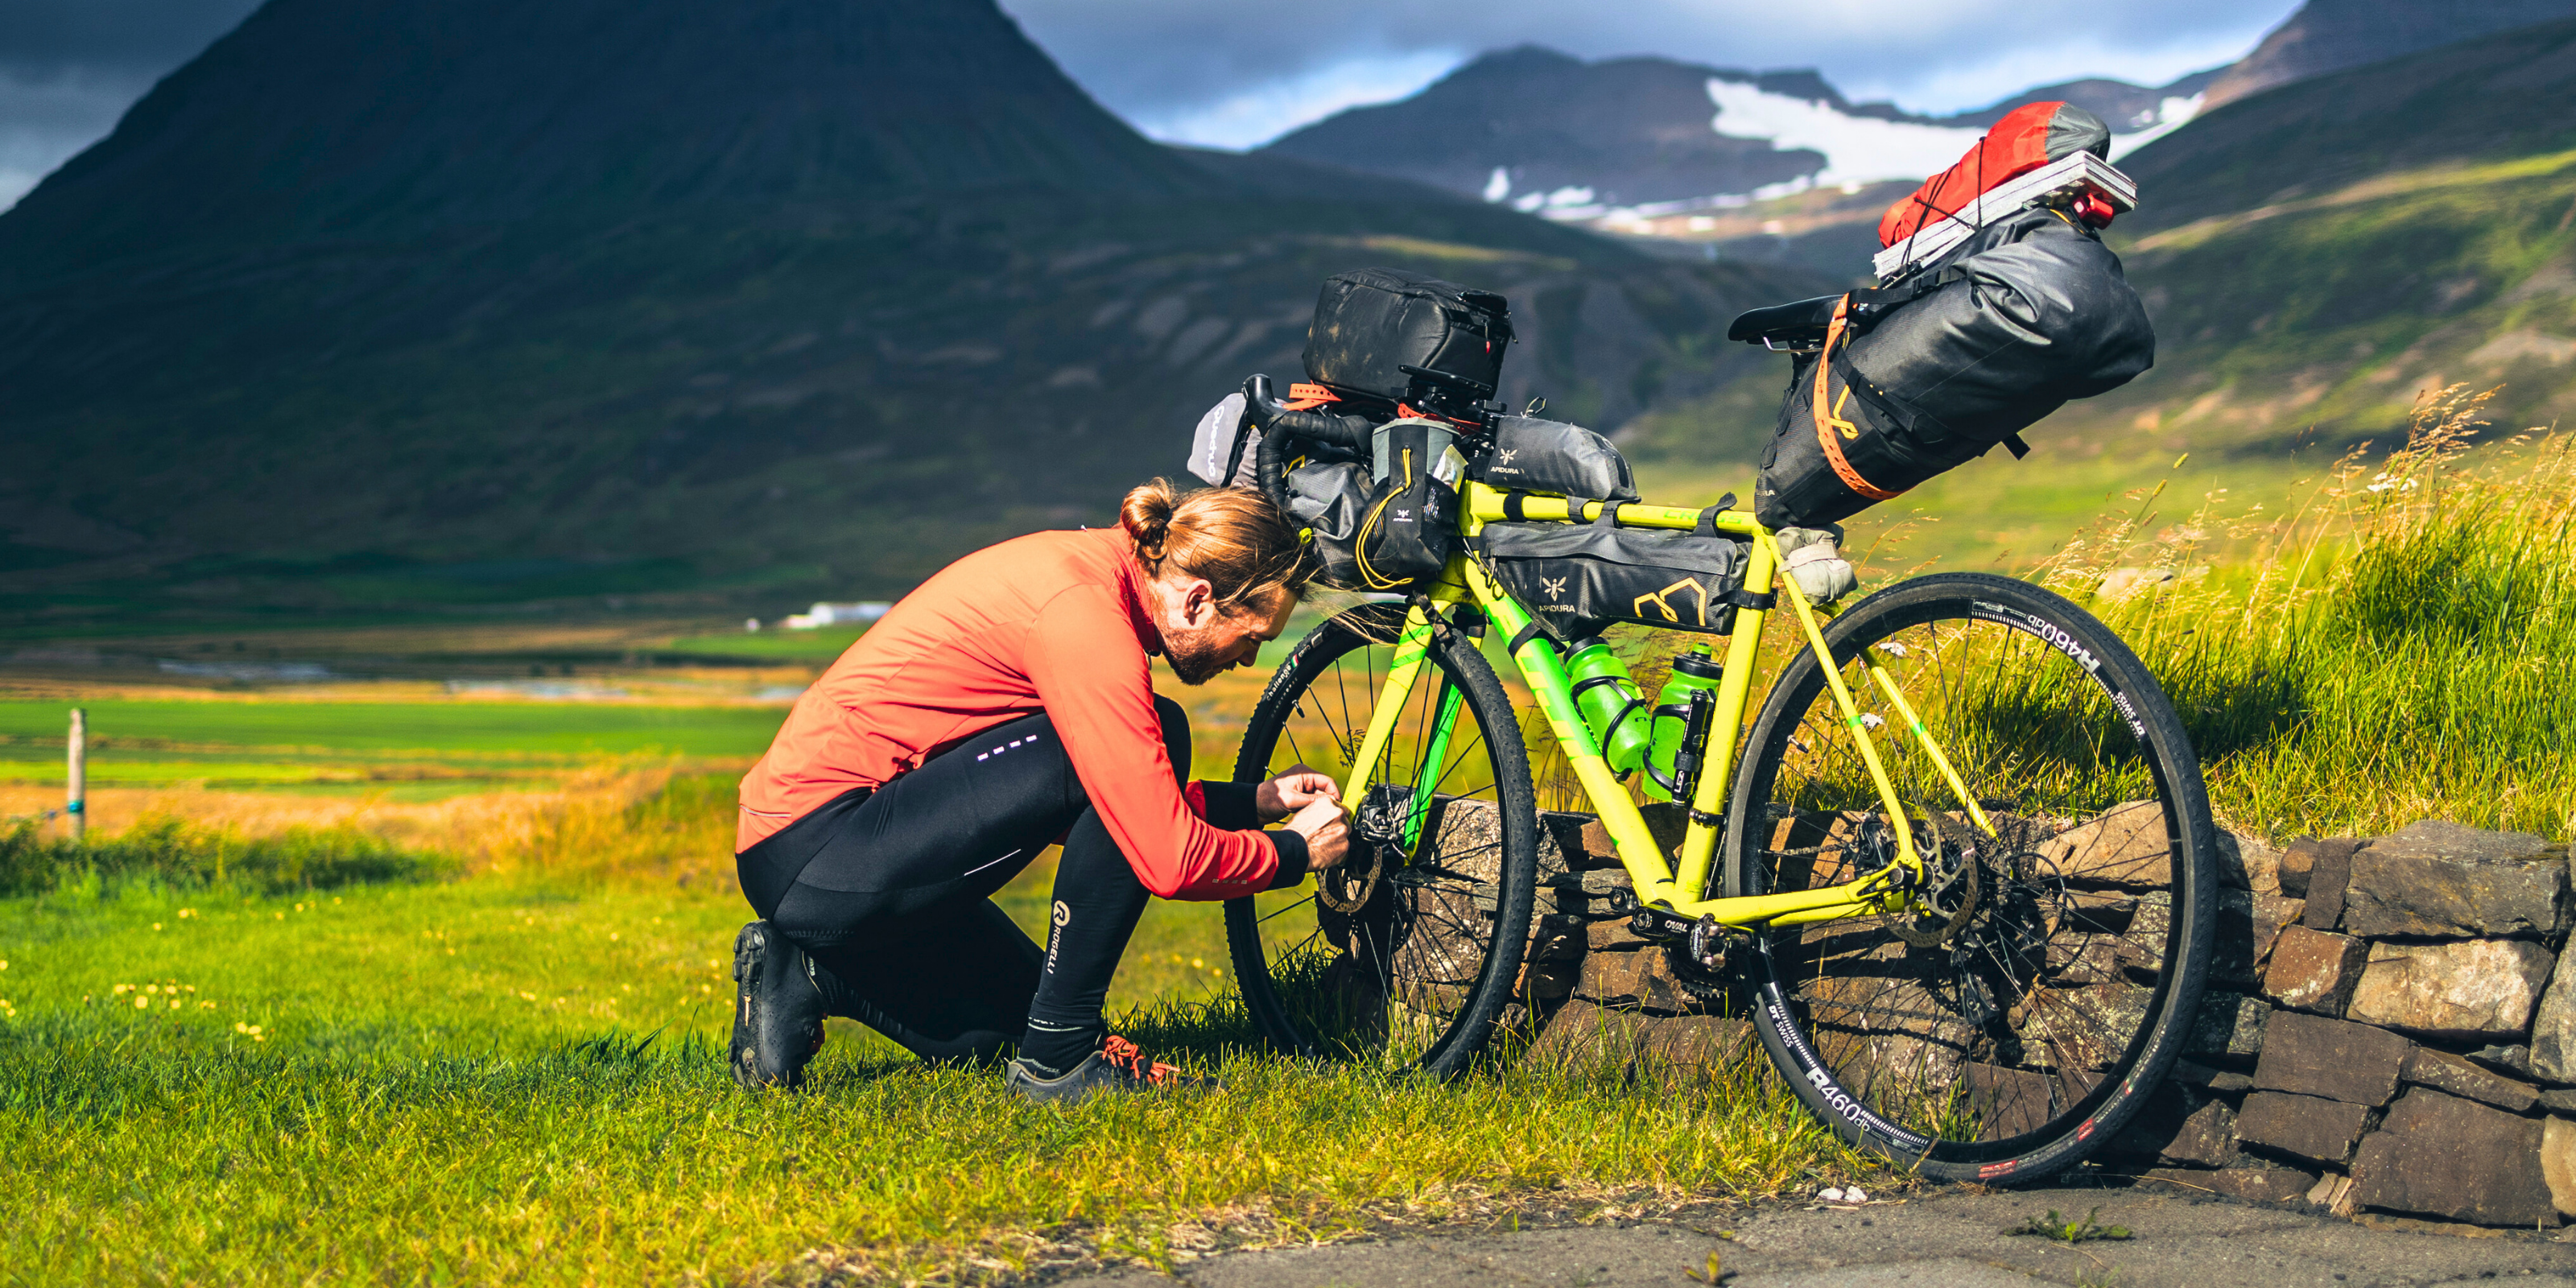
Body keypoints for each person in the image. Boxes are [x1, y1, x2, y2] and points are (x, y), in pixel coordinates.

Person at [728, 479, 1352, 1101]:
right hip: (823, 847)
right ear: (1196, 601)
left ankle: (807, 970)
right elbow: (1167, 859)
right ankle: (1063, 1062)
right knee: (1163, 728)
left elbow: (1092, 805)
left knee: (1003, 1033)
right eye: (1252, 638)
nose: (1246, 660)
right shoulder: (1085, 620)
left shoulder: (1097, 575)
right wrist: (1297, 852)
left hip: (815, 848)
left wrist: (1253, 805)